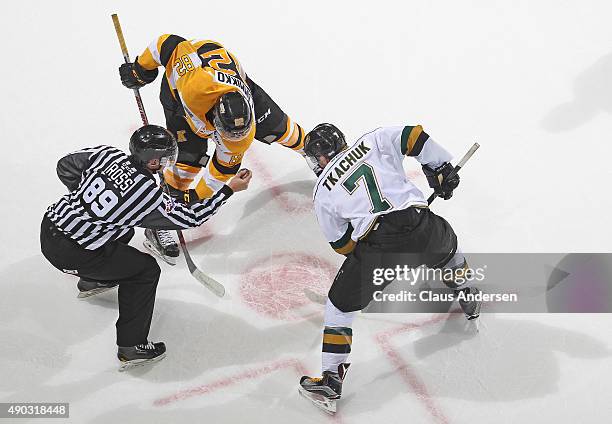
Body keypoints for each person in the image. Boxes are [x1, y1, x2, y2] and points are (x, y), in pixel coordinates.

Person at [297, 123, 481, 413]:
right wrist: (439, 168)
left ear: (319, 158)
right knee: (447, 245)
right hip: (421, 223)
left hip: (379, 246)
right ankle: (467, 291)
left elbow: (343, 244)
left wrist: (376, 265)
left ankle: (331, 381)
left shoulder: (322, 191)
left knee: (339, 307)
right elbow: (414, 136)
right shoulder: (374, 140)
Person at [40, 125, 251, 370]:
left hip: (50, 225)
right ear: (152, 161)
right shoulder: (146, 195)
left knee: (124, 230)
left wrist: (87, 202)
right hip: (72, 254)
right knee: (145, 271)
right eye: (165, 159)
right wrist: (228, 189)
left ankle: (93, 280)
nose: (167, 163)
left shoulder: (108, 154)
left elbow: (65, 165)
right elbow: (190, 218)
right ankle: (132, 347)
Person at [119, 35, 312, 262]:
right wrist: (141, 69)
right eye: (227, 133)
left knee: (281, 129)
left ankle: (318, 155)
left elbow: (221, 170)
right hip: (181, 94)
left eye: (237, 134)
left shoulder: (241, 136)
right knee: (187, 160)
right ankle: (160, 221)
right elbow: (168, 43)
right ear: (216, 120)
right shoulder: (195, 88)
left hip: (235, 84)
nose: (231, 139)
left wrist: (195, 197)